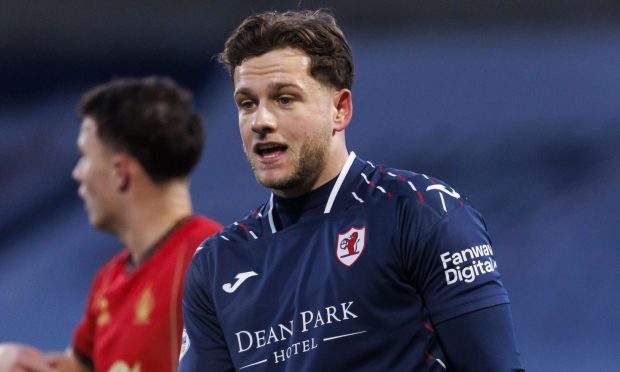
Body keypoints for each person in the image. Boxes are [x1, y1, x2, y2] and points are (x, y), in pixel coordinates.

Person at [180, 9, 524, 371]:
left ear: (340, 109)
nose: (261, 122)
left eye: (284, 99)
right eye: (247, 103)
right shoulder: (217, 264)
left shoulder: (421, 212)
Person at [0, 77, 221, 372]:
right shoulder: (110, 279)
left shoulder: (213, 260)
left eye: (84, 157)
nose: (78, 174)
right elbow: (77, 367)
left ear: (120, 172)